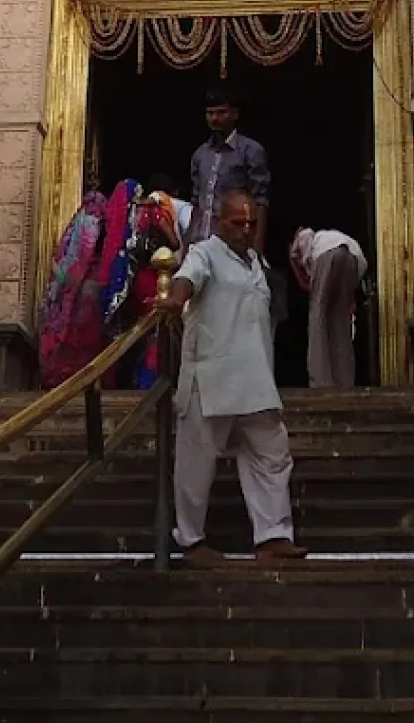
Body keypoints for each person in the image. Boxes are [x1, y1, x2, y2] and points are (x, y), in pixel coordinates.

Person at [165, 192, 305, 566]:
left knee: (273, 456)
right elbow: (186, 279)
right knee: (196, 462)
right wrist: (175, 299)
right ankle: (191, 541)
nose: (245, 230)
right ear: (219, 221)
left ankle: (273, 537)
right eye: (237, 223)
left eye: (251, 224)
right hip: (210, 375)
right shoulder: (204, 252)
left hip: (255, 377)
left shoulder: (256, 262)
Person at [37, 180, 133, 388]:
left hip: (80, 287)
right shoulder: (95, 220)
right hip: (89, 285)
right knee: (86, 333)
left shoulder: (83, 222)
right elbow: (82, 253)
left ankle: (77, 380)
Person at [101, 176, 184, 388]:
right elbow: (174, 243)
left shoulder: (128, 218)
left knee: (140, 328)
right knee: (158, 326)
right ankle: (152, 379)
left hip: (135, 280)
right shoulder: (155, 214)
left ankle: (136, 379)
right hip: (155, 277)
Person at [189, 89, 271, 250]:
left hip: (232, 243)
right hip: (200, 242)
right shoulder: (200, 154)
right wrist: (187, 244)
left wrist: (257, 248)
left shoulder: (250, 150)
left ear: (235, 114)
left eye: (221, 112)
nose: (214, 118)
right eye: (210, 113)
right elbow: (197, 203)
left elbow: (260, 201)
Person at [289, 226, 368, 389]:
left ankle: (320, 382)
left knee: (318, 318)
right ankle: (344, 380)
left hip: (327, 255)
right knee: (341, 323)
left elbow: (297, 253)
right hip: (354, 257)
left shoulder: (307, 237)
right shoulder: (335, 236)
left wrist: (298, 272)